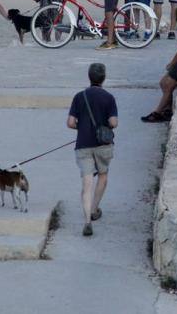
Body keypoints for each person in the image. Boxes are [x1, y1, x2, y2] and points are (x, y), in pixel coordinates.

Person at [67, 63, 118, 237]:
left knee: (86, 183)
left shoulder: (79, 97)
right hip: (103, 146)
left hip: (83, 144)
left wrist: (82, 129)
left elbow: (70, 123)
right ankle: (95, 208)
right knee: (102, 176)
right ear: (104, 78)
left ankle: (87, 220)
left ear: (89, 77)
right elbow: (113, 123)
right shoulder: (109, 98)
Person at [142, 7, 177, 123]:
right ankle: (167, 109)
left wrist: (171, 64)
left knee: (167, 86)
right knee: (164, 83)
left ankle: (157, 112)